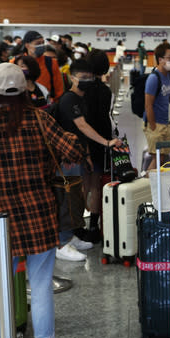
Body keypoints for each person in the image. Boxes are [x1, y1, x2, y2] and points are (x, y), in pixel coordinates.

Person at [0, 63, 84, 338]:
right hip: (38, 215)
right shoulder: (40, 120)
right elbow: (74, 150)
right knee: (40, 284)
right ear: (26, 89)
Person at [54, 59, 122, 261]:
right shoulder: (69, 100)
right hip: (65, 157)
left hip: (78, 154)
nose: (86, 81)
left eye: (89, 78)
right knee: (67, 198)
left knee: (76, 196)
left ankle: (71, 235)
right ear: (71, 77)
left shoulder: (82, 98)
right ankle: (61, 243)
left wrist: (88, 154)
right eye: (81, 78)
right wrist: (106, 142)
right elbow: (82, 126)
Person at [81, 49, 115, 241]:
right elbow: (104, 119)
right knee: (96, 186)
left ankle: (78, 226)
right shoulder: (105, 91)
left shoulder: (81, 89)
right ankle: (94, 227)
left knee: (82, 186)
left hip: (81, 141)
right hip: (99, 141)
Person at [143, 43, 170, 172]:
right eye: (169, 58)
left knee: (164, 158)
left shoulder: (167, 76)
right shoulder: (153, 78)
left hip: (165, 123)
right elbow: (148, 104)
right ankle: (145, 186)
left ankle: (155, 187)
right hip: (155, 124)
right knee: (158, 159)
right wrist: (153, 127)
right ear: (160, 59)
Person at [22, 31, 65, 99]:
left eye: (42, 43)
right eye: (38, 43)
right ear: (27, 45)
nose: (42, 45)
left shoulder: (51, 62)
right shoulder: (16, 62)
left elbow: (59, 88)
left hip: (46, 104)